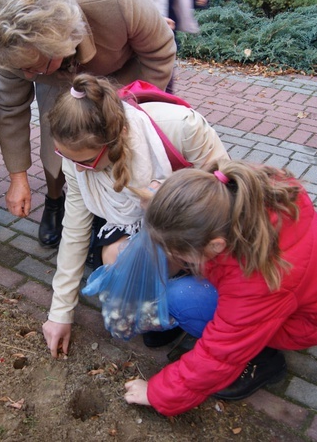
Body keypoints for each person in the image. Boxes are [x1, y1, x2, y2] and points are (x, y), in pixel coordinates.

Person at [0, 0, 176, 248]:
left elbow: (159, 52)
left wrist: (134, 116)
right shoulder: (6, 47)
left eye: (31, 67)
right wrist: (18, 178)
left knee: (123, 143)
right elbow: (12, 109)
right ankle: (55, 200)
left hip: (128, 72)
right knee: (59, 145)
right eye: (21, 69)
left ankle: (120, 208)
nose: (26, 77)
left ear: (58, 42)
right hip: (60, 81)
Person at [123, 162, 317, 415]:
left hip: (306, 324)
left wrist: (158, 392)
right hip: (309, 296)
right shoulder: (233, 198)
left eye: (178, 252)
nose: (170, 255)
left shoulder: (256, 280)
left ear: (216, 246)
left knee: (179, 298)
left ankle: (262, 360)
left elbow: (221, 351)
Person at [40, 74, 230, 358]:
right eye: (65, 156)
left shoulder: (181, 128)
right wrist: (60, 312)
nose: (77, 170)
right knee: (119, 258)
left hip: (187, 223)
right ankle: (165, 300)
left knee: (172, 284)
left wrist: (167, 201)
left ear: (118, 139)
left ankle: (181, 298)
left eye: (86, 161)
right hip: (133, 223)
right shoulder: (75, 160)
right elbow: (75, 231)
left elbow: (227, 201)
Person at [116, 0, 207, 93]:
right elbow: (125, 5)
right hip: (142, 46)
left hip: (167, 41)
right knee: (143, 93)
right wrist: (154, 21)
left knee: (165, 91)